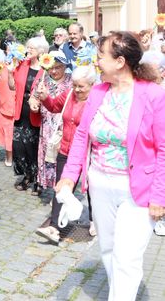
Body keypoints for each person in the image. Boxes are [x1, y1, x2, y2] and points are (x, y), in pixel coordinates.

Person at [56, 31, 165, 300]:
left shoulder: (153, 95)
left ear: (120, 62)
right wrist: (70, 177)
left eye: (101, 57)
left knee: (126, 257)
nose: (97, 62)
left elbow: (163, 149)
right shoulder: (98, 92)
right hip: (100, 183)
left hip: (137, 189)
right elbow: (82, 136)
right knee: (108, 250)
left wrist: (159, 196)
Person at [35, 65, 97, 244]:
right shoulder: (70, 94)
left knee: (91, 188)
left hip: (87, 153)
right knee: (61, 188)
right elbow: (54, 106)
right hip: (65, 149)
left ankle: (94, 220)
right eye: (75, 85)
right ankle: (54, 227)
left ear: (92, 85)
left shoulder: (97, 101)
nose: (77, 89)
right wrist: (45, 96)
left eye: (81, 86)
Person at [7, 37, 49, 194]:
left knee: (34, 149)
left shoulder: (46, 68)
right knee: (18, 147)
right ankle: (27, 174)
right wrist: (11, 72)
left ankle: (38, 179)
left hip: (37, 114)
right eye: (28, 47)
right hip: (20, 112)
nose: (28, 50)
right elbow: (12, 87)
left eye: (32, 48)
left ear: (41, 51)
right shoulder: (22, 65)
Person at [36, 51, 71, 196]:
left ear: (65, 67)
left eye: (59, 67)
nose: (54, 71)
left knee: (61, 158)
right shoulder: (43, 80)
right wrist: (33, 103)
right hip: (47, 126)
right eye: (52, 67)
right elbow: (34, 97)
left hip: (63, 126)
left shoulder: (71, 81)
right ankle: (51, 189)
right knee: (48, 157)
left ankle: (61, 189)